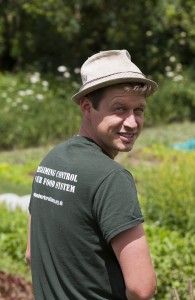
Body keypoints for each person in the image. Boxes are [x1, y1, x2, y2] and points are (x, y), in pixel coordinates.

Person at [26, 49, 158, 300]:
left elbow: (31, 254)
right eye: (119, 109)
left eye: (138, 110)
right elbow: (141, 288)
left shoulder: (50, 161)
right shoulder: (111, 178)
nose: (132, 122)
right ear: (87, 107)